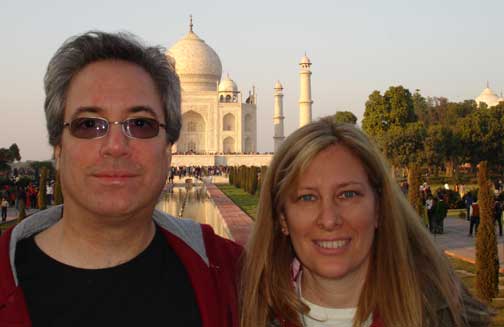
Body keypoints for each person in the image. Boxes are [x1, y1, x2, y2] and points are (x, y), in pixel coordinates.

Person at [0, 31, 241, 326]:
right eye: (88, 124)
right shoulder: (4, 279)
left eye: (141, 124)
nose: (115, 146)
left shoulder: (233, 275)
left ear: (169, 148)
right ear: (58, 148)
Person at [240, 118, 491, 327]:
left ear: (380, 207)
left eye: (348, 194)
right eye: (307, 197)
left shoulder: (446, 315)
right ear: (282, 217)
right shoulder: (249, 313)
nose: (329, 219)